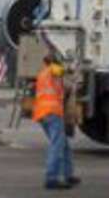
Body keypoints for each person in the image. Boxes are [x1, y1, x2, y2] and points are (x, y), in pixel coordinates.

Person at [31, 53, 78, 190]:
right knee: (57, 145)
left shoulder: (45, 74)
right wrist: (71, 68)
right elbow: (62, 71)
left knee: (63, 145)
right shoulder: (52, 70)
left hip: (44, 114)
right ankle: (51, 178)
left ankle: (68, 174)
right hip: (51, 113)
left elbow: (62, 87)